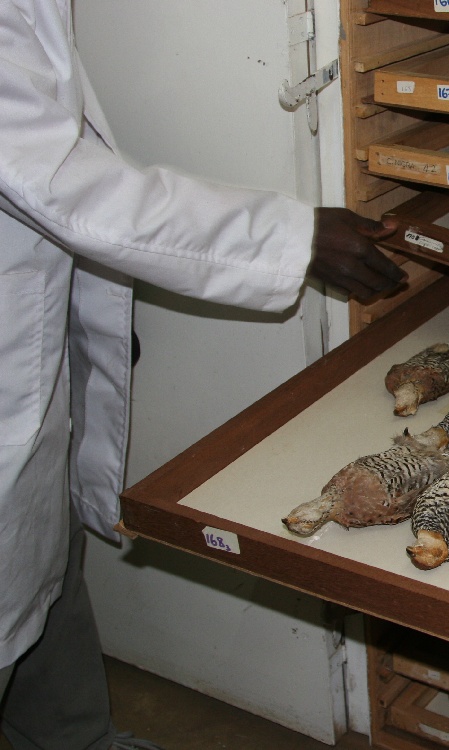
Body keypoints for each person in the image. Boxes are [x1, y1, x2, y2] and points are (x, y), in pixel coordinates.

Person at [0, 1, 406, 747]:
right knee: (13, 575)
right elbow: (59, 183)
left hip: (26, 365)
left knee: (45, 567)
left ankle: (76, 741)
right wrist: (291, 237)